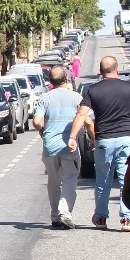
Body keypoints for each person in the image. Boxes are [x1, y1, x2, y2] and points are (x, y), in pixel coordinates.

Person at [66, 56, 130, 232]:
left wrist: (73, 137)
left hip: (104, 139)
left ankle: (101, 217)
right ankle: (128, 219)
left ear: (101, 72)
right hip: (127, 138)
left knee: (103, 180)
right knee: (126, 178)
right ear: (117, 70)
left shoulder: (92, 90)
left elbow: (81, 115)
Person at [33, 65, 82, 229]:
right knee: (69, 179)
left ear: (50, 81)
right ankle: (64, 212)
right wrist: (93, 137)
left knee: (53, 182)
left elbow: (37, 121)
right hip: (70, 147)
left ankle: (55, 216)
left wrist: (42, 131)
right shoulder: (76, 98)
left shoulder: (45, 98)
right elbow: (87, 120)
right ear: (66, 79)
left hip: (50, 148)